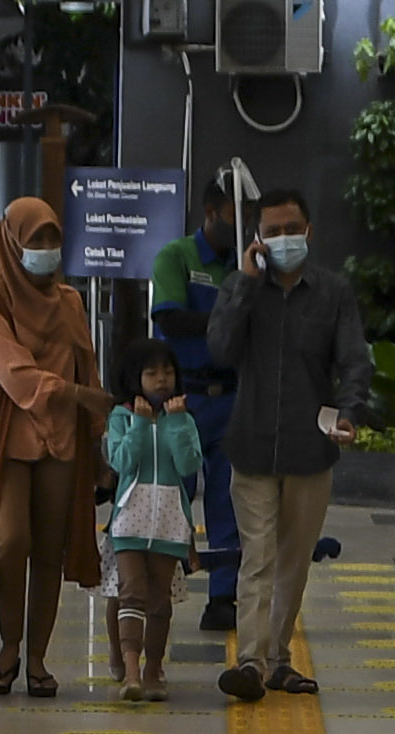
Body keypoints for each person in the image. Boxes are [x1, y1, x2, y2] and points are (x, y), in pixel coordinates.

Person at [209, 184, 362, 699]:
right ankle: (250, 663)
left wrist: (351, 412)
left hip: (310, 448)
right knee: (257, 558)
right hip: (251, 444)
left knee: (293, 564)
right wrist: (245, 285)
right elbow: (220, 349)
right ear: (256, 238)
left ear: (309, 231)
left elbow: (354, 360)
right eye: (272, 231)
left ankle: (277, 659)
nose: (283, 238)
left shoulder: (334, 292)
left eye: (291, 229)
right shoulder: (242, 287)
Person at [0, 193, 103, 695]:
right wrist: (76, 395)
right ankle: (9, 644)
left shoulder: (69, 302)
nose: (45, 249)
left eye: (52, 239)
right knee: (11, 540)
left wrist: (97, 430)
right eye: (35, 239)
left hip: (62, 441)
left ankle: (37, 658)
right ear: (11, 242)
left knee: (49, 549)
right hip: (10, 440)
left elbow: (86, 363)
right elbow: (14, 374)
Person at [150, 200, 244, 635]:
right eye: (232, 212)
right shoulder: (177, 257)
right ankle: (158, 589)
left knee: (229, 499)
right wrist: (228, 317)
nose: (238, 221)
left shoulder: (244, 263)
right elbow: (171, 319)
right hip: (182, 397)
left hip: (231, 396)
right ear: (210, 211)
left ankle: (223, 596)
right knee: (173, 495)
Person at [101, 341, 209, 705]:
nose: (161, 379)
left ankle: (154, 669)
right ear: (136, 378)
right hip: (130, 519)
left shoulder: (184, 418)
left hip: (168, 519)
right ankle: (131, 671)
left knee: (159, 600)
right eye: (151, 373)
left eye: (167, 372)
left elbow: (188, 465)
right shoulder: (121, 416)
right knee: (131, 592)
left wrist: (175, 422)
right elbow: (121, 462)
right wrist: (139, 425)